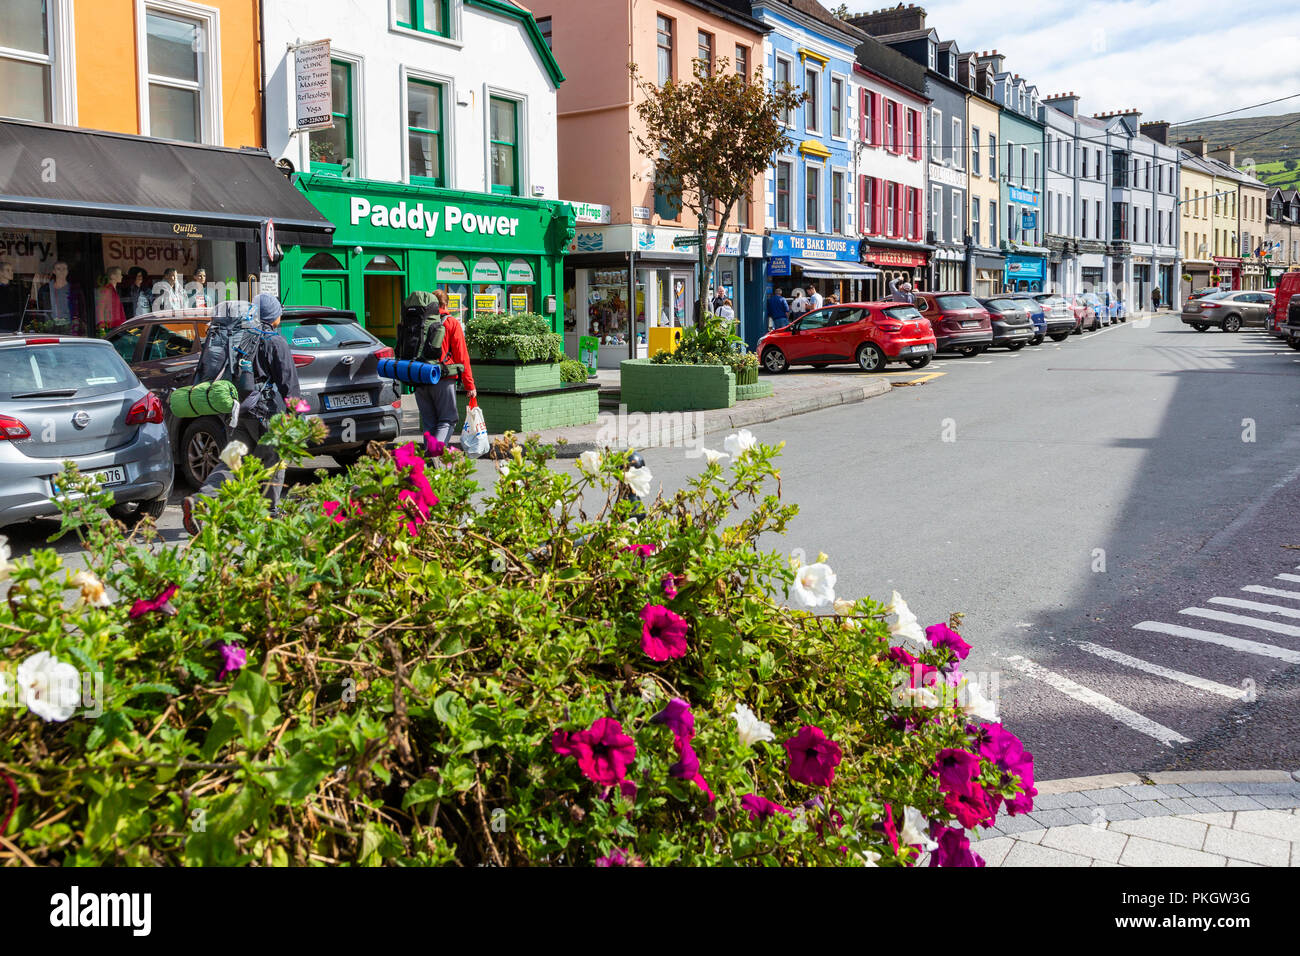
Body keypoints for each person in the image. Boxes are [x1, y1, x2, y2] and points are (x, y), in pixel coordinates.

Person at [182, 294, 300, 535]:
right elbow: (289, 383)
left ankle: (200, 502)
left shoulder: (240, 336)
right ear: (274, 316)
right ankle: (270, 513)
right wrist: (295, 415)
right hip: (266, 414)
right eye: (279, 312)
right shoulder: (275, 341)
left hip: (238, 413)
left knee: (231, 464)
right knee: (274, 460)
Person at [412, 288, 476, 448]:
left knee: (429, 423)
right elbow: (462, 357)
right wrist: (470, 385)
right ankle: (434, 454)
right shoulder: (451, 322)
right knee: (447, 420)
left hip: (419, 376)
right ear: (446, 303)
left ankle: (430, 463)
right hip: (442, 378)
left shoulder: (419, 322)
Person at [34, 261, 88, 335]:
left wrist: (82, 323)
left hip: (71, 327)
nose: (62, 271)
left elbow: (82, 308)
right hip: (51, 327)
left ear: (67, 271)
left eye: (64, 269)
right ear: (54, 271)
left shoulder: (75, 289)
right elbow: (41, 309)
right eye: (59, 269)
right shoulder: (46, 289)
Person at [0, 260, 30, 332]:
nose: (11, 273)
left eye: (12, 270)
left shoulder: (18, 288)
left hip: (17, 326)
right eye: (8, 270)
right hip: (2, 326)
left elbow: (23, 307)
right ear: (0, 272)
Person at [95, 268, 126, 333]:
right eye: (119, 274)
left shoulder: (114, 290)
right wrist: (102, 328)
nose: (121, 276)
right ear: (112, 276)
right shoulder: (106, 290)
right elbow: (100, 309)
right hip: (110, 327)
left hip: (118, 326)